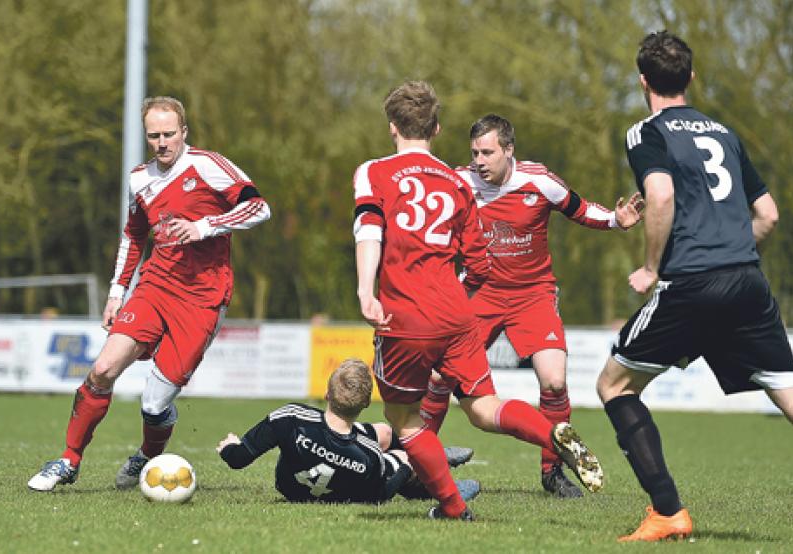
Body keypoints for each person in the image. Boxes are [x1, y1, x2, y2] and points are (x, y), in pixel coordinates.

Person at [352, 80, 602, 521]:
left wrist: (365, 291)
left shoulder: (373, 171)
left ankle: (451, 505)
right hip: (458, 313)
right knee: (484, 409)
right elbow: (481, 265)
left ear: (393, 128)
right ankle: (553, 435)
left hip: (406, 314)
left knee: (402, 414)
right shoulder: (457, 182)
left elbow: (369, 230)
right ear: (437, 128)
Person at [596, 31, 793, 542]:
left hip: (692, 284)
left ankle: (667, 512)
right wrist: (730, 245)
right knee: (790, 396)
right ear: (691, 77)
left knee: (614, 385)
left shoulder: (646, 133)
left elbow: (659, 195)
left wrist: (650, 267)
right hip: (747, 280)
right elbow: (768, 215)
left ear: (643, 81)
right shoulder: (725, 133)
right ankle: (666, 513)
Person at [28, 96, 271, 491]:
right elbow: (134, 235)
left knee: (154, 404)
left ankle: (147, 456)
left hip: (202, 298)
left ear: (184, 132)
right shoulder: (139, 178)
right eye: (153, 135)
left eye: (169, 134)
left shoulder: (208, 165)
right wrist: (116, 293)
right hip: (155, 285)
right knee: (103, 369)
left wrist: (205, 226)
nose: (162, 143)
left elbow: (259, 208)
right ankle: (68, 461)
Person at [417, 114, 643, 498]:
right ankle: (416, 464)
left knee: (554, 381)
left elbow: (580, 208)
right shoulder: (459, 183)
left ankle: (552, 472)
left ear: (509, 151)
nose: (479, 161)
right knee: (439, 378)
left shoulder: (540, 181)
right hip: (478, 292)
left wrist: (616, 221)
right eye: (474, 153)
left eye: (487, 152)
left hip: (533, 294)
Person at [217, 358, 479, 504]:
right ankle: (440, 477)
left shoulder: (291, 418)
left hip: (290, 489)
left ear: (327, 394)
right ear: (366, 404)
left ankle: (429, 452)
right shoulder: (370, 455)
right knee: (403, 457)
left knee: (385, 433)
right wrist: (407, 464)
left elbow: (238, 458)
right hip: (352, 470)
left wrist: (229, 446)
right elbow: (381, 495)